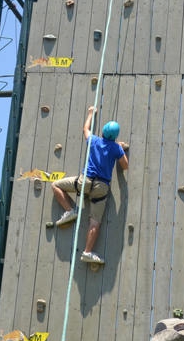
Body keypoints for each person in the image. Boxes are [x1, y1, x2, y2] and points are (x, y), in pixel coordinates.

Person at [51, 105, 127, 265]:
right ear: (115, 136)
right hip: (101, 188)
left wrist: (91, 113)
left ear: (104, 132)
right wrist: (120, 148)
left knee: (55, 185)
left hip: (84, 182)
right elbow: (125, 166)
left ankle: (70, 211)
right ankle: (87, 252)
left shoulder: (94, 140)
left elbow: (85, 129)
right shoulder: (116, 148)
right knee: (95, 222)